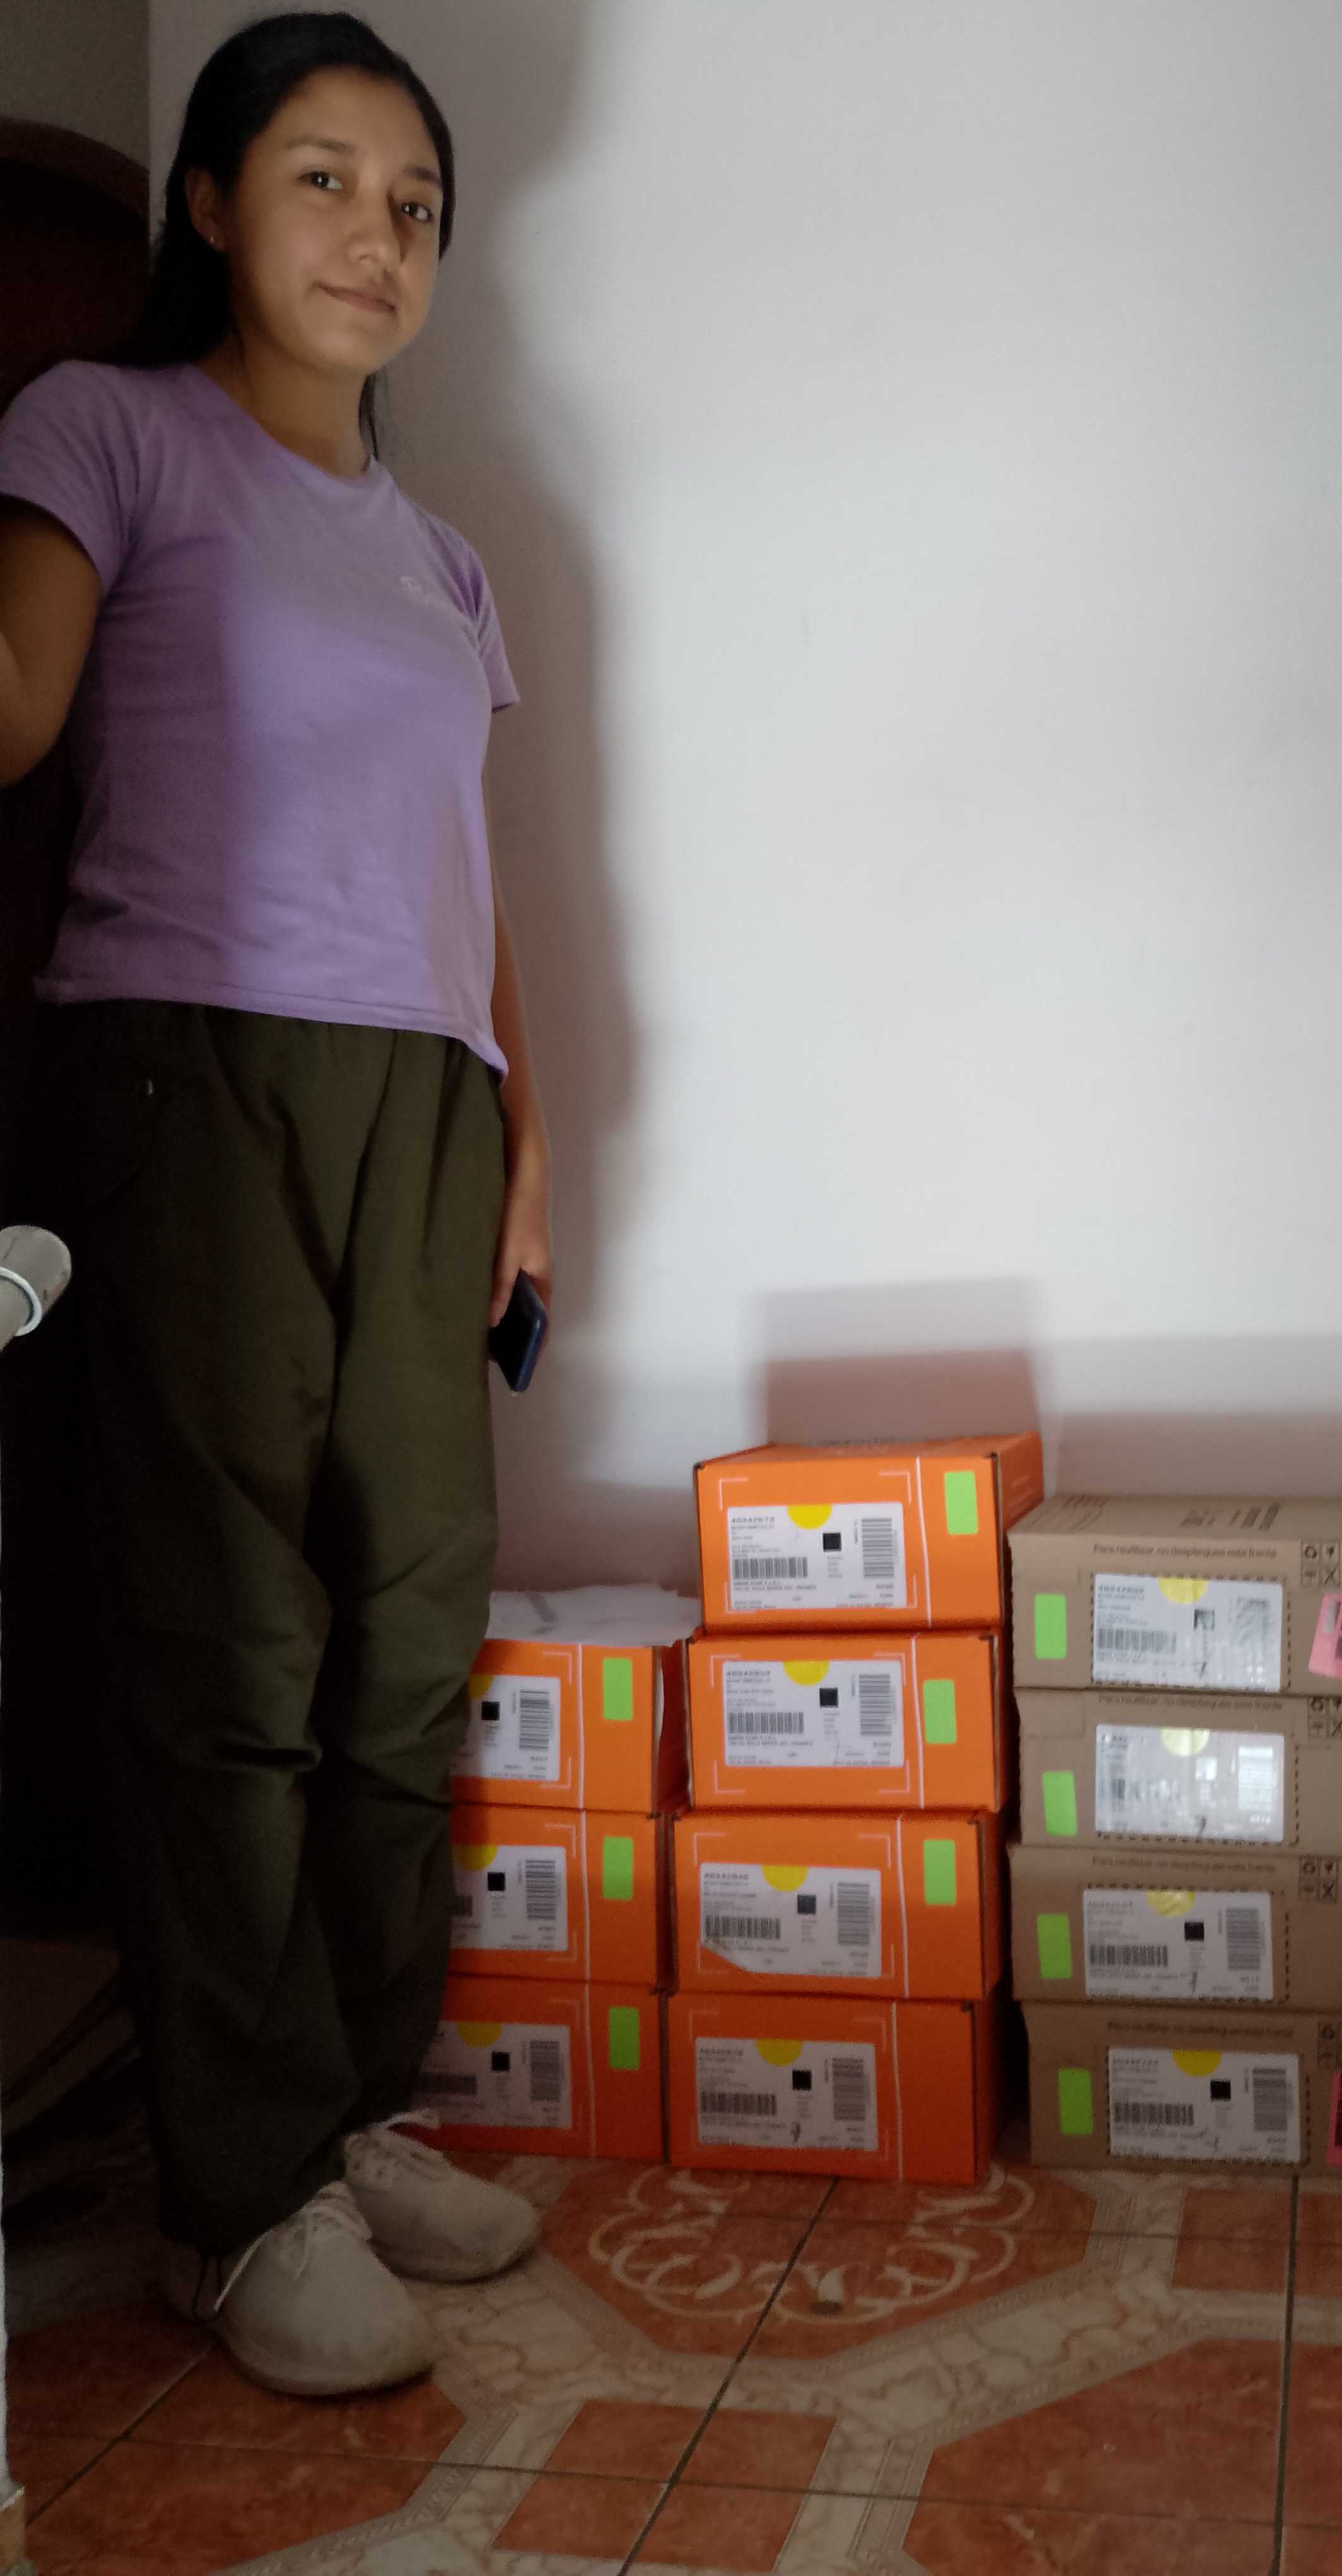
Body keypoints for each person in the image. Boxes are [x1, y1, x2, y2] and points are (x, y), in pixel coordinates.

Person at [0, 11, 552, 2397]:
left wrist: (528, 1144)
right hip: (186, 1069)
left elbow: (464, 869)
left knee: (410, 1636)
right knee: (230, 1647)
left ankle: (340, 2106)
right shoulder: (103, 429)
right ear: (211, 201)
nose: (378, 234)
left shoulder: (442, 557)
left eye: (416, 202)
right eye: (326, 177)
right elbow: (19, 713)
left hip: (426, 1107)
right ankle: (236, 2204)